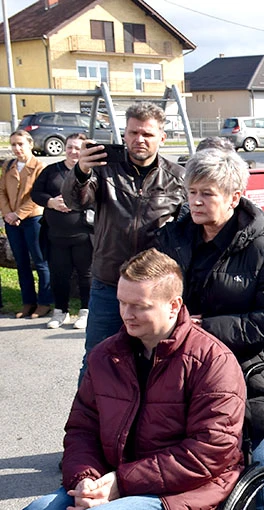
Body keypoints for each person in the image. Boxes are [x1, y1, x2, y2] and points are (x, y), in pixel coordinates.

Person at [18, 248, 246, 510]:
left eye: (139, 306)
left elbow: (209, 452)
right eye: (122, 302)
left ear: (174, 305)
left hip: (186, 488)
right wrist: (85, 480)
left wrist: (122, 482)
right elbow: (81, 430)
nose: (126, 313)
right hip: (113, 479)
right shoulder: (105, 355)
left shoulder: (212, 361)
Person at [159, 146, 264, 470]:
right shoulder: (171, 240)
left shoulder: (263, 250)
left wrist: (207, 329)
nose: (196, 201)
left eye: (207, 193)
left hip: (243, 371)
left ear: (234, 198)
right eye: (192, 192)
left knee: (248, 458)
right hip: (181, 368)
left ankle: (262, 505)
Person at [62, 102, 186, 377]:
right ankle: (89, 408)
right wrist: (80, 171)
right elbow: (74, 201)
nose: (139, 139)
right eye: (133, 133)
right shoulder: (103, 169)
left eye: (147, 134)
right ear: (124, 134)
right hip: (109, 284)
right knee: (96, 360)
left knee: (156, 364)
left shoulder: (177, 178)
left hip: (155, 291)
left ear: (162, 137)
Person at [31, 133, 93, 329]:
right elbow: (35, 193)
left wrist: (75, 204)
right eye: (70, 147)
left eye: (78, 148)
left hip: (84, 235)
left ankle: (85, 311)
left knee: (86, 275)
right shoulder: (51, 171)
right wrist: (51, 202)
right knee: (59, 274)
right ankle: (60, 312)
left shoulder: (93, 172)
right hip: (56, 236)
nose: (73, 151)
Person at [1, 129, 50, 318]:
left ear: (30, 144)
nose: (17, 148)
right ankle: (28, 302)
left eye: (20, 144)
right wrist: (8, 213)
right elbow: (2, 191)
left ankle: (44, 303)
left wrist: (19, 214)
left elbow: (37, 195)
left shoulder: (39, 166)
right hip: (11, 221)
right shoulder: (9, 166)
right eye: (13, 144)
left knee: (40, 261)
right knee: (21, 262)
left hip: (33, 219)